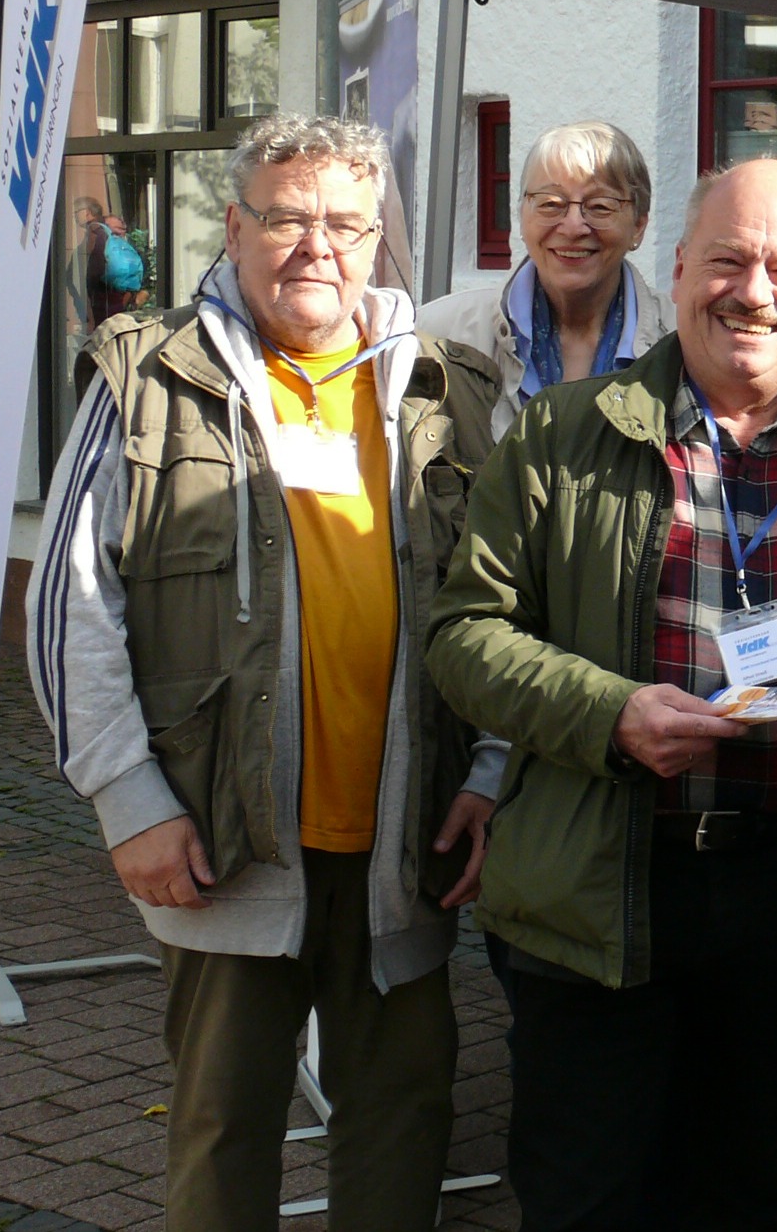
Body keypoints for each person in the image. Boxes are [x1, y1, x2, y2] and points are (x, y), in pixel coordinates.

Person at [425, 157, 777, 1230]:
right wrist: (608, 713)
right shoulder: (563, 435)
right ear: (677, 269)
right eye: (728, 260)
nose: (754, 292)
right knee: (591, 1197)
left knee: (774, 1195)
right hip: (601, 881)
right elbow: (462, 637)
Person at [26, 115, 503, 1230]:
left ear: (377, 236)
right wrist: (128, 801)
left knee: (400, 1128)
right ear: (234, 228)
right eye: (286, 219)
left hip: (405, 841)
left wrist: (490, 772)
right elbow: (69, 606)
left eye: (344, 223)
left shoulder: (449, 387)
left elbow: (503, 601)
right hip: (223, 837)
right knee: (224, 1134)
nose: (315, 247)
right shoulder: (151, 377)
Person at [419, 119, 667, 434]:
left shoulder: (683, 343)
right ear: (521, 216)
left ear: (639, 226)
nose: (574, 226)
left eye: (600, 206)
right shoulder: (435, 337)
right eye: (550, 204)